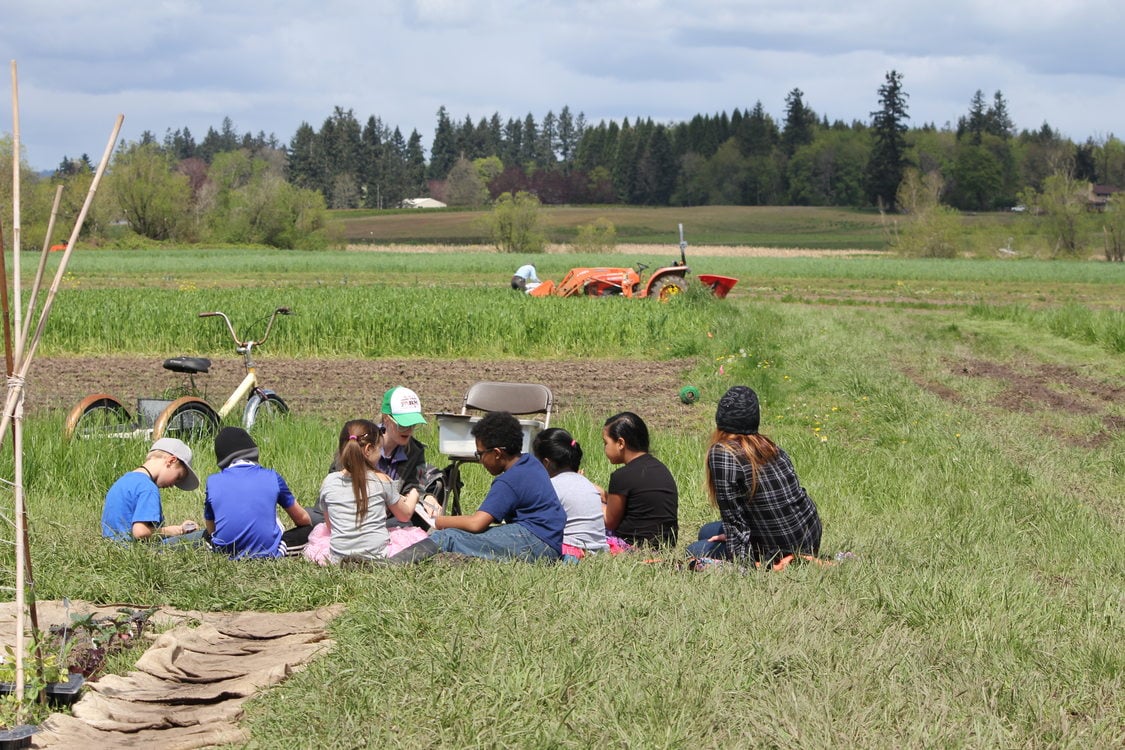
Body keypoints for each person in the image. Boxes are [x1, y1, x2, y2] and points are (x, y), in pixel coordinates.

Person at [686, 385, 822, 566]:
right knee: (706, 531)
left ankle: (773, 557)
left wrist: (744, 564)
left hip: (778, 546)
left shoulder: (723, 453)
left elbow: (733, 518)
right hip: (807, 535)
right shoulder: (770, 446)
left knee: (693, 550)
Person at [430, 411, 565, 562]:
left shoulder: (508, 481)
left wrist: (438, 521)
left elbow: (476, 524)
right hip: (551, 541)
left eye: (480, 454)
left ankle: (401, 560)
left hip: (534, 542)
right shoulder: (530, 462)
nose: (480, 461)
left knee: (448, 537)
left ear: (497, 453)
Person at [314, 419, 437, 565]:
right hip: (377, 555)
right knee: (418, 538)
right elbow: (404, 515)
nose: (380, 454)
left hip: (337, 556)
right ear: (368, 450)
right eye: (379, 449)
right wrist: (415, 494)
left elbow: (330, 526)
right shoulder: (381, 480)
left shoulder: (329, 481)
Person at [202, 427, 312, 559]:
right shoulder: (272, 477)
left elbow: (211, 528)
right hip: (268, 554)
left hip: (225, 553)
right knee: (309, 531)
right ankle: (278, 550)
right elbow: (303, 519)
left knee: (205, 535)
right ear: (253, 451)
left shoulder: (212, 481)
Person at [101, 437, 203, 543]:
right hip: (139, 551)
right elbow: (141, 532)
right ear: (171, 461)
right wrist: (178, 530)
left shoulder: (121, 482)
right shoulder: (148, 488)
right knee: (205, 536)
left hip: (115, 547)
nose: (174, 485)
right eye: (178, 477)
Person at [602, 411, 679, 548]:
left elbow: (609, 521)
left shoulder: (621, 476)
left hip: (633, 545)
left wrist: (588, 497)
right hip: (666, 545)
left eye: (605, 443)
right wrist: (604, 494)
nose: (605, 448)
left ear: (620, 443)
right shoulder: (661, 468)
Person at [532, 427, 608, 560]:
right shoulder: (586, 483)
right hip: (599, 550)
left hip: (572, 552)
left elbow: (536, 524)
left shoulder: (552, 486)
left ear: (546, 463)